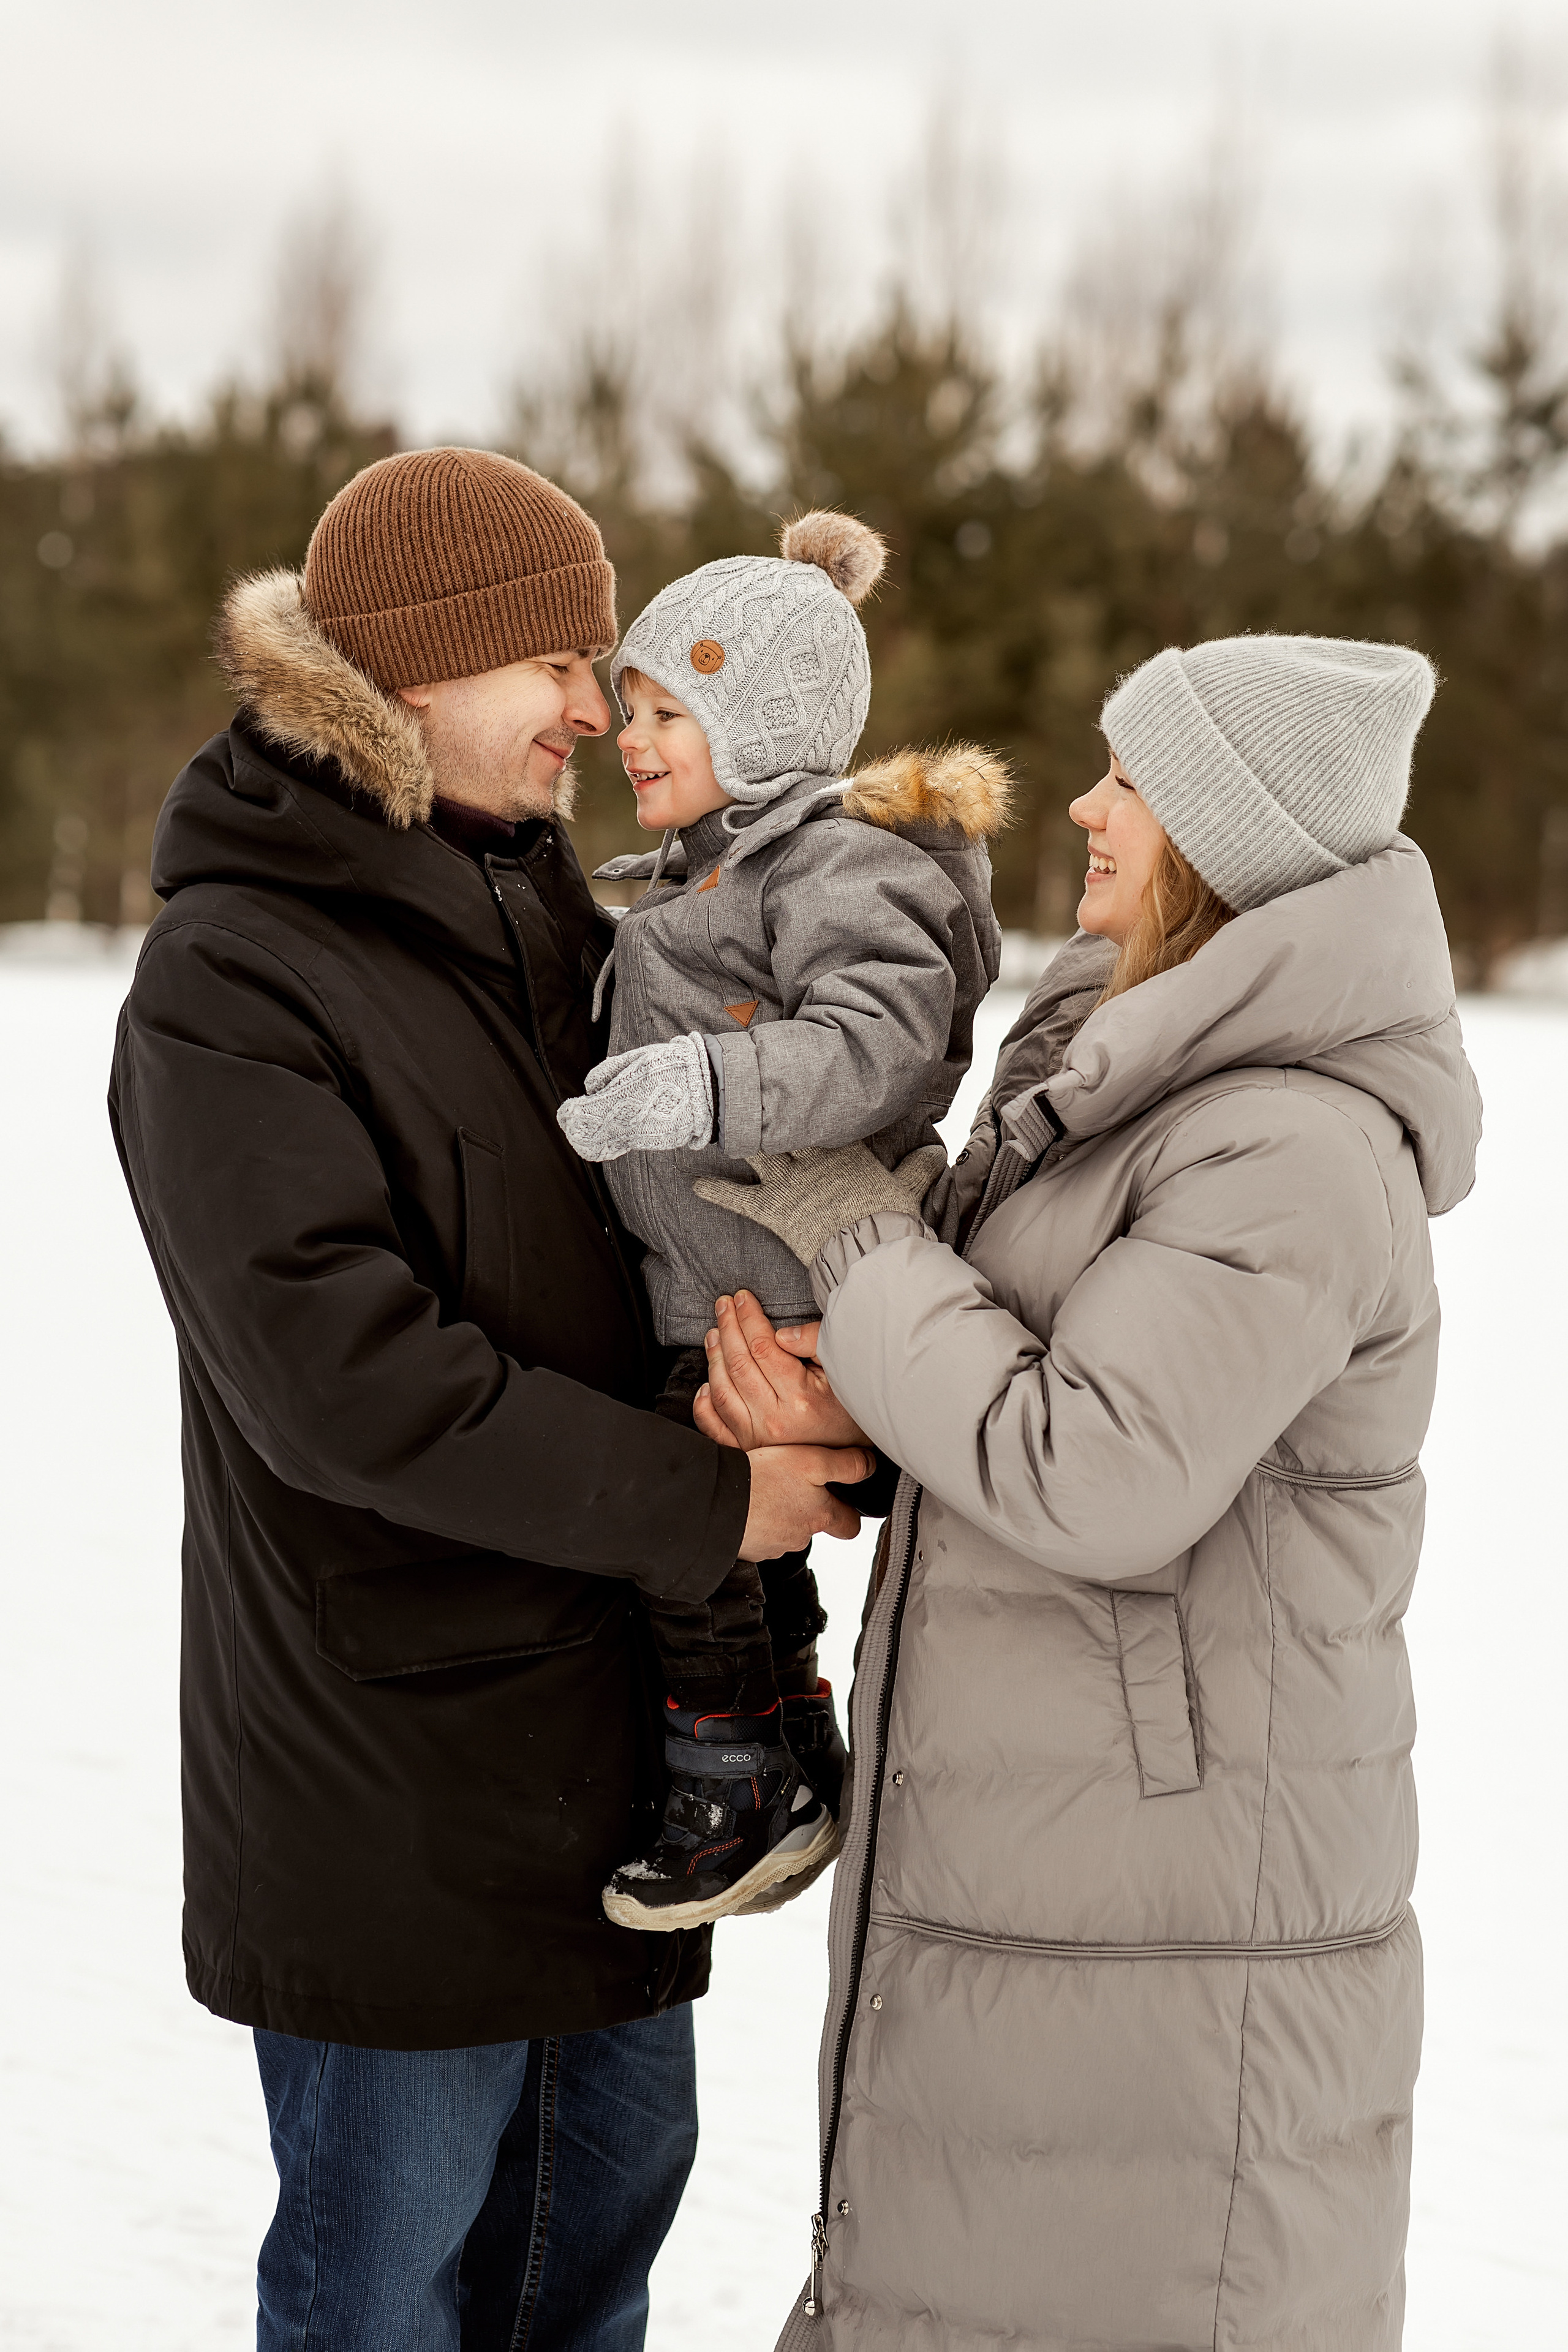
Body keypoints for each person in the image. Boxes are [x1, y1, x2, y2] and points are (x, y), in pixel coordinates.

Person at [107, 446, 872, 2352]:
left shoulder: (580, 940)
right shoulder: (233, 979)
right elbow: (348, 1391)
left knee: (583, 2289)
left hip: (616, 1790)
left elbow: (664, 1259)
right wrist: (715, 1507)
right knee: (387, 2309)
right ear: (412, 671)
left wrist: (792, 1376)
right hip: (397, 1802)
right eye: (559, 663)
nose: (596, 713)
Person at [695, 635, 1483, 2351]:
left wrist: (861, 1229)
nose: (1087, 806)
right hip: (1053, 1915)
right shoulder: (1127, 1079)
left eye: (1135, 781)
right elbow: (1020, 1399)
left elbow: (1097, 1466)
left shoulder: (1285, 1143)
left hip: (1169, 1979)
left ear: (1225, 839)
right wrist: (855, 1398)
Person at [554, 512, 1008, 1930]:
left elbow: (874, 1043)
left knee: (687, 1525)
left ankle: (732, 1768)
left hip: (773, 1280)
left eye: (667, 712)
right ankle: (792, 1737)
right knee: (739, 1538)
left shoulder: (837, 867)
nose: (630, 738)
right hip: (713, 1273)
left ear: (761, 729)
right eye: (626, 708)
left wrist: (696, 1079)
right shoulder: (718, 872)